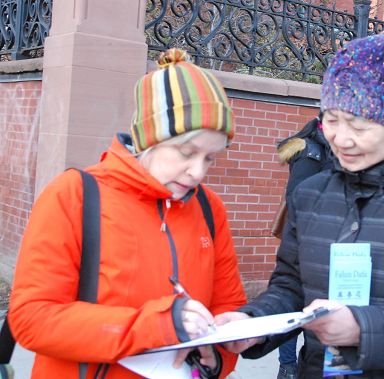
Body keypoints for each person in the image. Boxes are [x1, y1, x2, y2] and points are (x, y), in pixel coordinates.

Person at [217, 34, 384, 378]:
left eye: (359, 125)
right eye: (331, 120)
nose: (341, 139)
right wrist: (253, 322)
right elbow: (290, 286)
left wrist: (363, 328)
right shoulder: (310, 195)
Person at [8, 48, 247, 378]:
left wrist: (219, 358)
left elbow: (227, 307)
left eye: (210, 159)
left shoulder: (208, 208)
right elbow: (32, 319)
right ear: (148, 139)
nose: (197, 172)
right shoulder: (74, 195)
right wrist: (157, 325)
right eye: (186, 152)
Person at [274, 115, 333, 379]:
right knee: (296, 307)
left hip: (321, 239)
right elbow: (298, 198)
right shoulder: (310, 152)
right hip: (307, 241)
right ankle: (287, 366)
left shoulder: (323, 149)